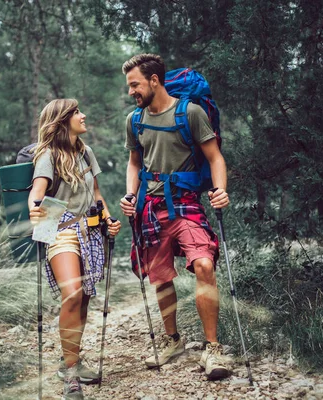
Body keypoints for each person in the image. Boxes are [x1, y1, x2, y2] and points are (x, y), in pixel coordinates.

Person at [119, 54, 231, 380]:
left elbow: (215, 157)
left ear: (154, 80)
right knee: (161, 277)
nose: (131, 92)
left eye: (135, 84)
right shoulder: (135, 120)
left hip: (185, 204)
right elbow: (135, 164)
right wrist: (130, 195)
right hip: (151, 207)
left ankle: (212, 348)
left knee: (204, 264)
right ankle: (173, 340)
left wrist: (220, 189)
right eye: (129, 86)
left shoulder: (190, 113)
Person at [29, 98, 121, 400]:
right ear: (63, 120)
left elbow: (96, 194)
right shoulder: (49, 155)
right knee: (73, 293)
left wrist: (109, 219)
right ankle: (70, 375)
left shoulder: (85, 152)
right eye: (77, 112)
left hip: (90, 229)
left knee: (83, 299)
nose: (83, 115)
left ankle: (71, 360)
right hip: (60, 229)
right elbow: (37, 194)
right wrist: (34, 210)